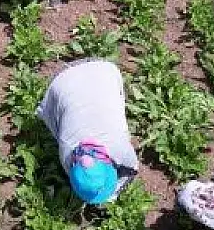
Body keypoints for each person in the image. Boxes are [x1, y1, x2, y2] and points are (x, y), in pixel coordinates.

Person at [36, 60, 138, 205]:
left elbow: (132, 169)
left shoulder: (118, 147)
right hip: (69, 79)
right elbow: (131, 170)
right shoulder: (66, 149)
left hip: (96, 74)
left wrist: (112, 193)